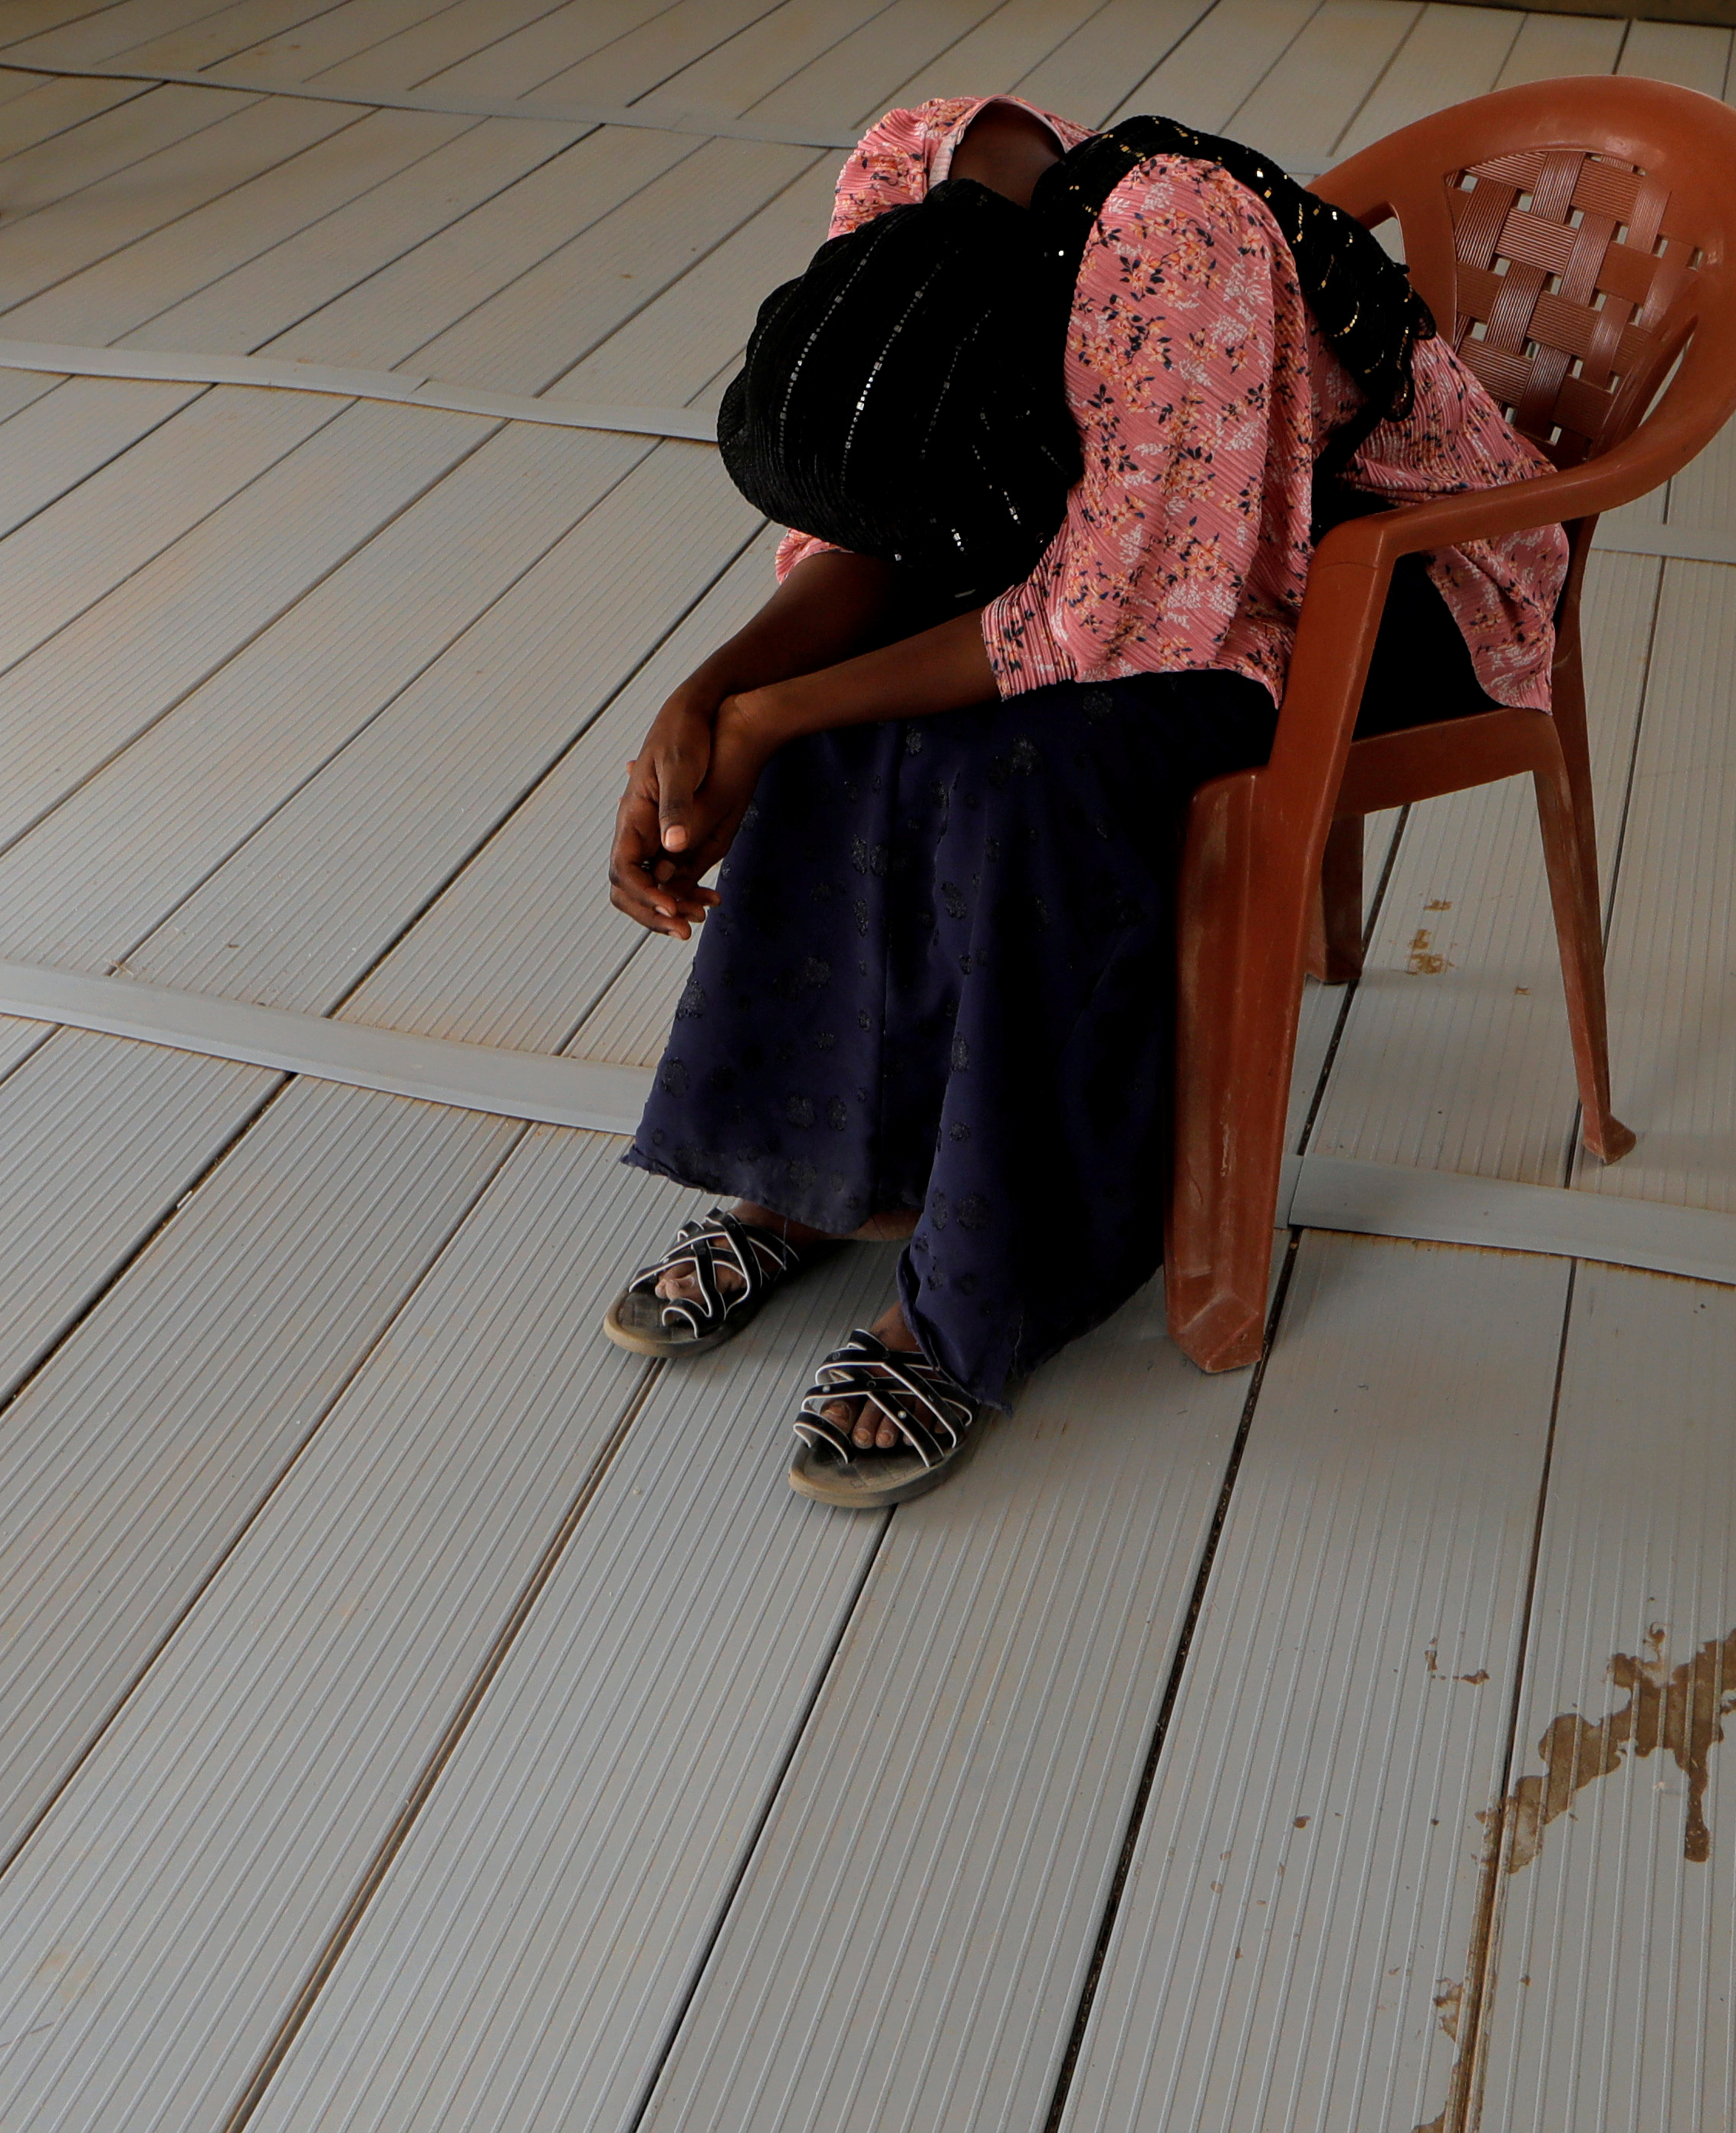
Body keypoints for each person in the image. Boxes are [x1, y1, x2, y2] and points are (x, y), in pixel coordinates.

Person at [603, 92, 1569, 1507]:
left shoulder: (1176, 251)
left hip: (1368, 565)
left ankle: (993, 1273)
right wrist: (709, 701)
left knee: (1027, 778)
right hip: (1129, 532)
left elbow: (1113, 615)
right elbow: (875, 525)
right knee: (837, 728)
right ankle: (815, 1166)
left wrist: (769, 712)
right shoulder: (902, 180)